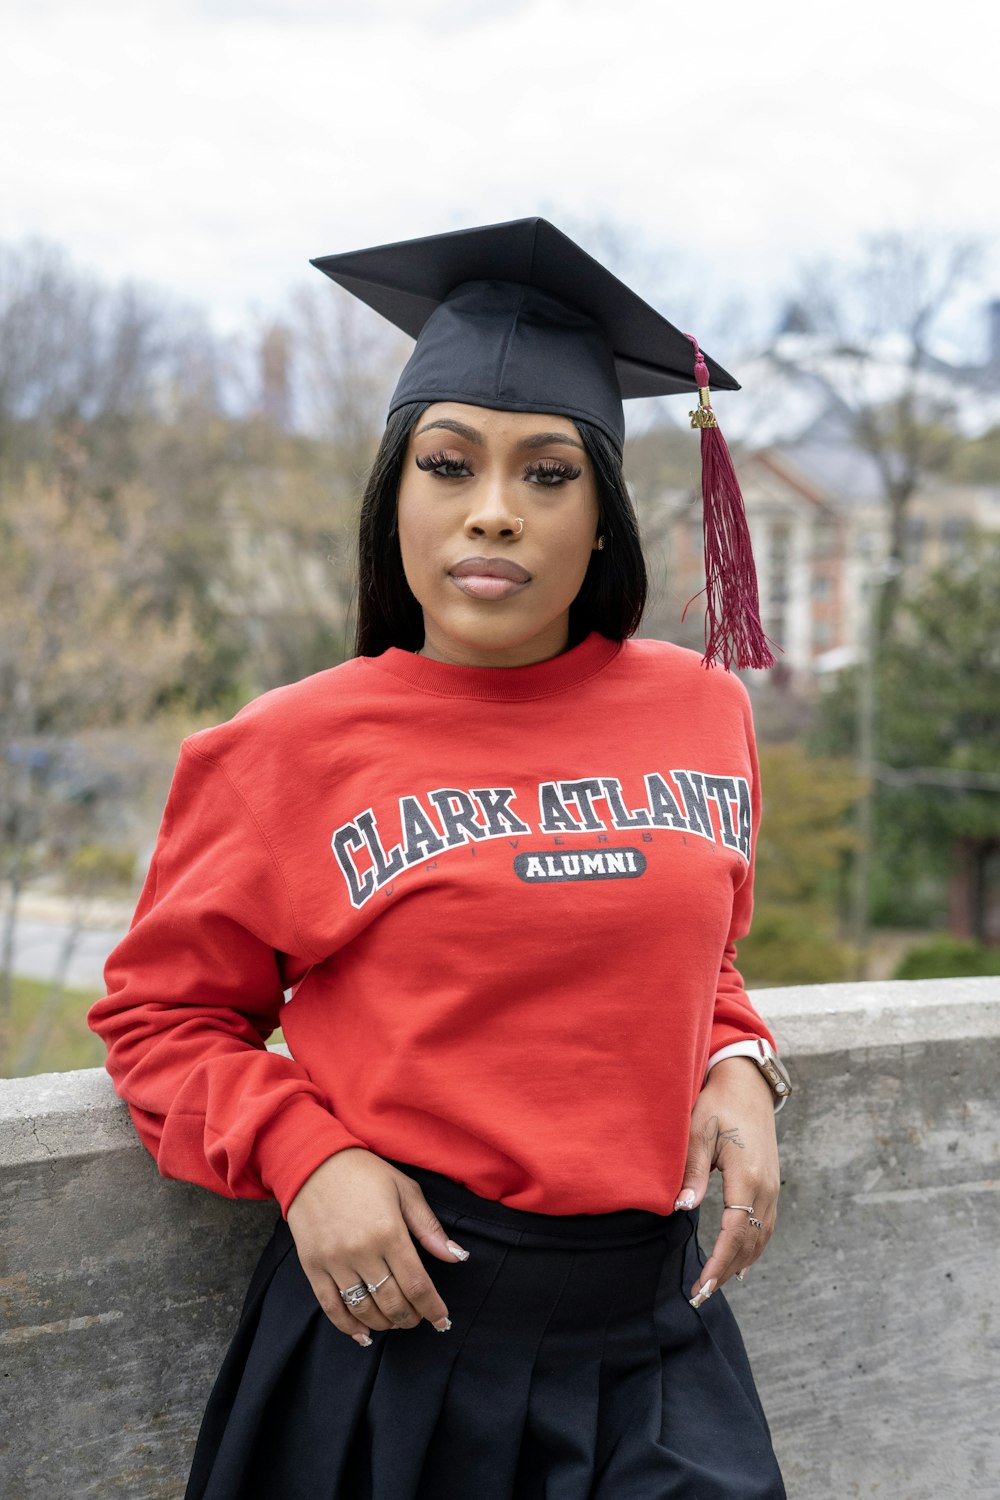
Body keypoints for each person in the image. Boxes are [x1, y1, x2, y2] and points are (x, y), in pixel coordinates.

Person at [89, 217, 792, 1499]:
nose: (492, 513)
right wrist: (306, 1156)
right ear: (393, 493)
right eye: (448, 463)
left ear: (602, 516)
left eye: (546, 475)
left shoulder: (701, 710)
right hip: (399, 1343)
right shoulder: (281, 752)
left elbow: (695, 949)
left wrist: (735, 1056)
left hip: (653, 1332)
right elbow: (159, 1019)